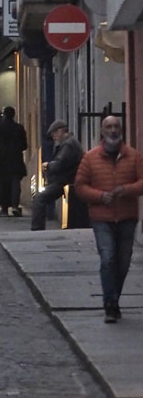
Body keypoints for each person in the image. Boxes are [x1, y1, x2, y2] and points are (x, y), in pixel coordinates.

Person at [74, 115, 143, 323]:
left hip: (127, 216)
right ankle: (110, 305)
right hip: (101, 217)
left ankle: (114, 298)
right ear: (102, 131)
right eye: (109, 127)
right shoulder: (90, 158)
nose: (113, 130)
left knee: (123, 263)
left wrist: (127, 190)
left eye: (116, 127)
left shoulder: (134, 156)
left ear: (120, 130)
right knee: (108, 258)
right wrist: (100, 196)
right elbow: (80, 186)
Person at [31, 119, 84, 231]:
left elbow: (60, 163)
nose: (54, 137)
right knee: (40, 199)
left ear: (60, 131)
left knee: (39, 199)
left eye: (54, 133)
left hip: (65, 180)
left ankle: (37, 229)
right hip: (67, 178)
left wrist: (48, 165)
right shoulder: (70, 142)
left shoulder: (68, 144)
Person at [0, 106, 28, 217]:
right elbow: (24, 145)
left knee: (3, 183)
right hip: (16, 158)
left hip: (2, 159)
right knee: (15, 183)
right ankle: (15, 206)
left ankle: (4, 208)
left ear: (4, 115)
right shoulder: (19, 128)